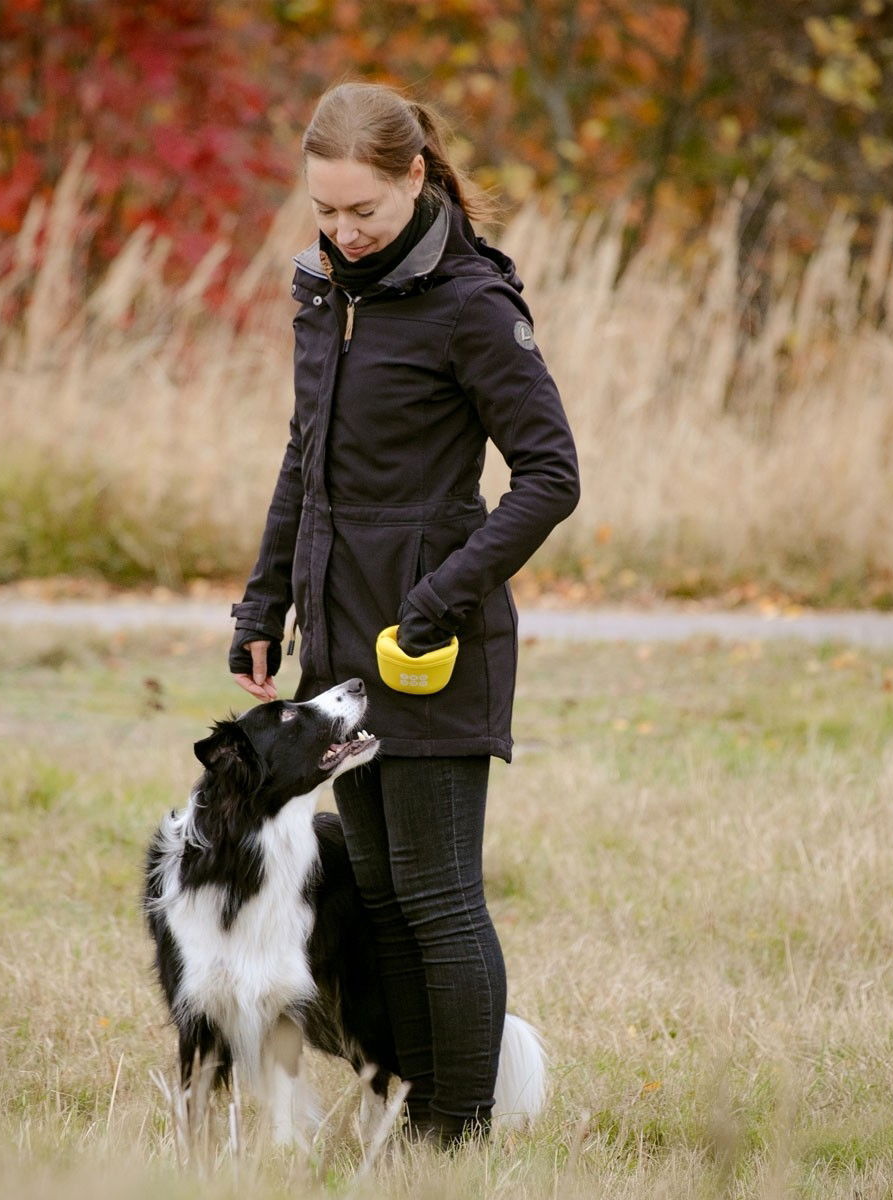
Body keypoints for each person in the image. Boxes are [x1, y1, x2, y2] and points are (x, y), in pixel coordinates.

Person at [228, 81, 580, 1146]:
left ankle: (456, 1135)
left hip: (427, 639)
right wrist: (265, 596)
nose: (342, 233)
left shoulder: (470, 301)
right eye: (324, 212)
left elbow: (550, 474)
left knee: (436, 897)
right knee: (377, 893)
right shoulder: (327, 293)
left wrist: (437, 599)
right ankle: (414, 1112)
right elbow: (308, 460)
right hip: (338, 636)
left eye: (363, 212)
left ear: (415, 177)